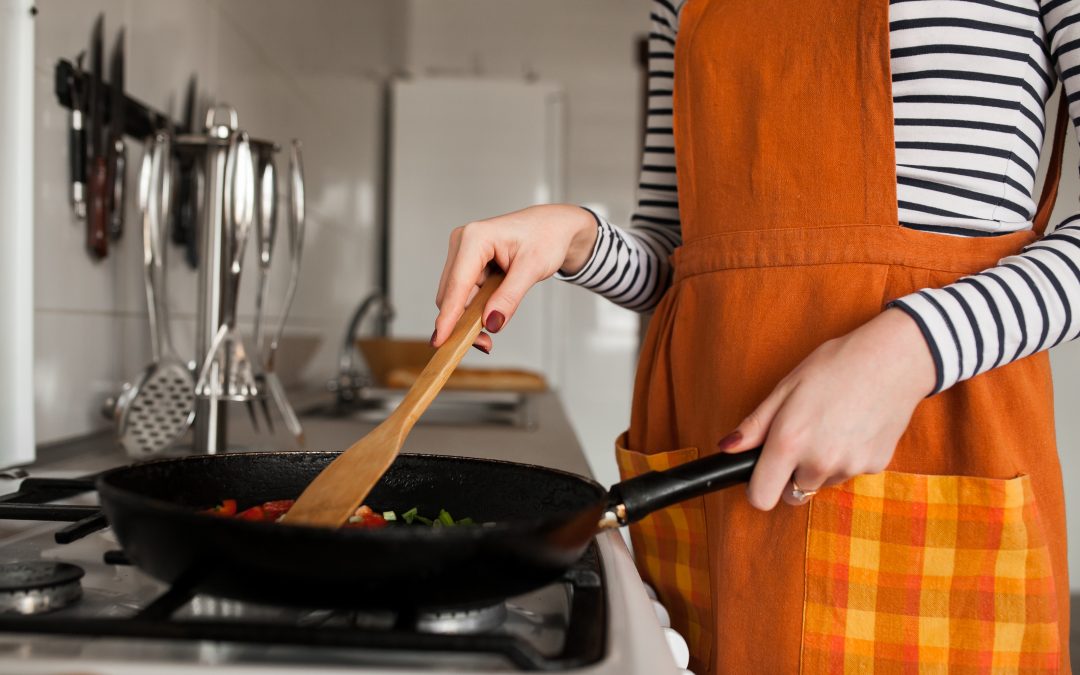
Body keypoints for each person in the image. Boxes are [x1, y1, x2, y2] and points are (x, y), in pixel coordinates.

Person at [431, 1, 1075, 672]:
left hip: (936, 440)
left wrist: (914, 346)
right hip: (714, 472)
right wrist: (577, 239)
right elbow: (682, 260)